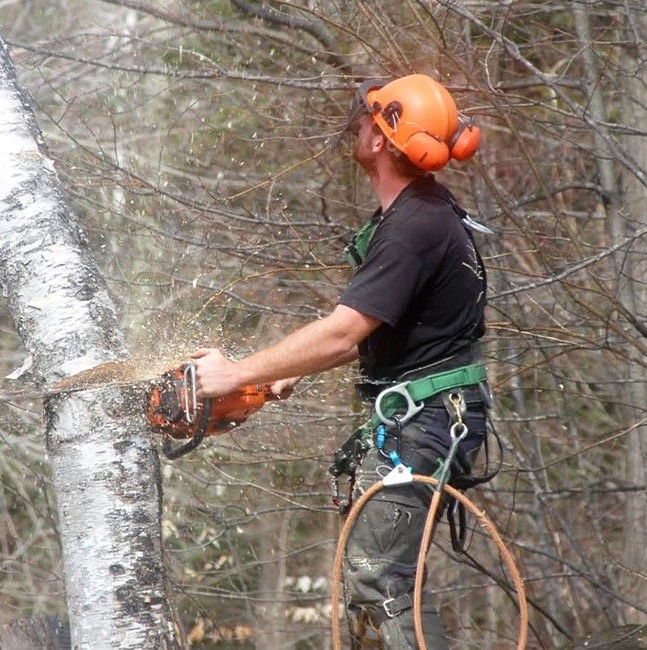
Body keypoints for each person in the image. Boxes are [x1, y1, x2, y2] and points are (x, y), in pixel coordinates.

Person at [191, 73, 490, 649]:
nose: (356, 125)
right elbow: (369, 334)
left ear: (380, 139)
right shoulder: (414, 215)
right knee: (376, 580)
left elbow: (343, 331)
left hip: (428, 419)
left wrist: (235, 373)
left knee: (381, 580)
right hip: (420, 414)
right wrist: (281, 375)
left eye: (364, 118)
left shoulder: (414, 226)